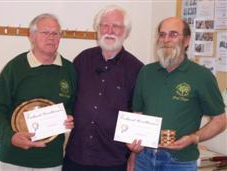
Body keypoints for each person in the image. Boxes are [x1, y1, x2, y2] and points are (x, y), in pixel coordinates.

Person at [128, 17, 227, 171]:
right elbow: (138, 114)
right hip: (145, 158)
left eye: (173, 34)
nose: (166, 40)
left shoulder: (202, 76)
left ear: (186, 40)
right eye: (162, 34)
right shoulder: (146, 72)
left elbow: (220, 120)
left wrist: (194, 138)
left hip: (180, 162)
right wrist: (134, 153)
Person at [0, 13, 76, 171]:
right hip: (12, 159)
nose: (51, 37)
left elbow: (72, 106)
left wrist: (69, 118)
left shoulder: (69, 70)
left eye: (55, 33)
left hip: (50, 161)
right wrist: (11, 137)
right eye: (45, 32)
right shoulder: (15, 68)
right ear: (32, 36)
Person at [62, 5, 143, 171]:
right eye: (105, 25)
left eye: (116, 26)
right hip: (76, 157)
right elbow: (68, 98)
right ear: (97, 29)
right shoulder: (82, 60)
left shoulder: (137, 69)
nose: (110, 30)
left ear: (126, 32)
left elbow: (139, 114)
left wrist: (134, 155)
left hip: (113, 160)